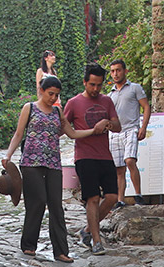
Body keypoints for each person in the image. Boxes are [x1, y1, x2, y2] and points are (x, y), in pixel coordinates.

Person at [4, 75, 108, 263]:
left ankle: (61, 251)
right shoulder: (29, 108)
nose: (53, 98)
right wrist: (8, 155)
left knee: (56, 206)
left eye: (56, 95)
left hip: (53, 163)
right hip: (31, 162)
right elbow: (19, 134)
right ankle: (28, 245)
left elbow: (72, 133)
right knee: (37, 202)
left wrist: (93, 131)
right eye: (50, 94)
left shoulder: (58, 112)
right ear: (41, 91)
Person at [63, 64, 121, 256]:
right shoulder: (73, 103)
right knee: (93, 198)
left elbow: (118, 126)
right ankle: (96, 241)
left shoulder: (107, 101)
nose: (96, 89)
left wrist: (108, 123)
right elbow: (64, 126)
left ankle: (87, 230)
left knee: (112, 197)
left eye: (99, 85)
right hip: (84, 156)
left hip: (105, 155)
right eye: (92, 85)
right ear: (85, 82)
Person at [107, 59, 149, 208]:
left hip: (131, 128)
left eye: (118, 70)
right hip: (115, 133)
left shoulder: (134, 88)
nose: (115, 74)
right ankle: (120, 199)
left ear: (125, 71)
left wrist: (143, 127)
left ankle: (138, 195)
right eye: (112, 71)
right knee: (119, 169)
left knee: (130, 160)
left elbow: (146, 106)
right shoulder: (109, 95)